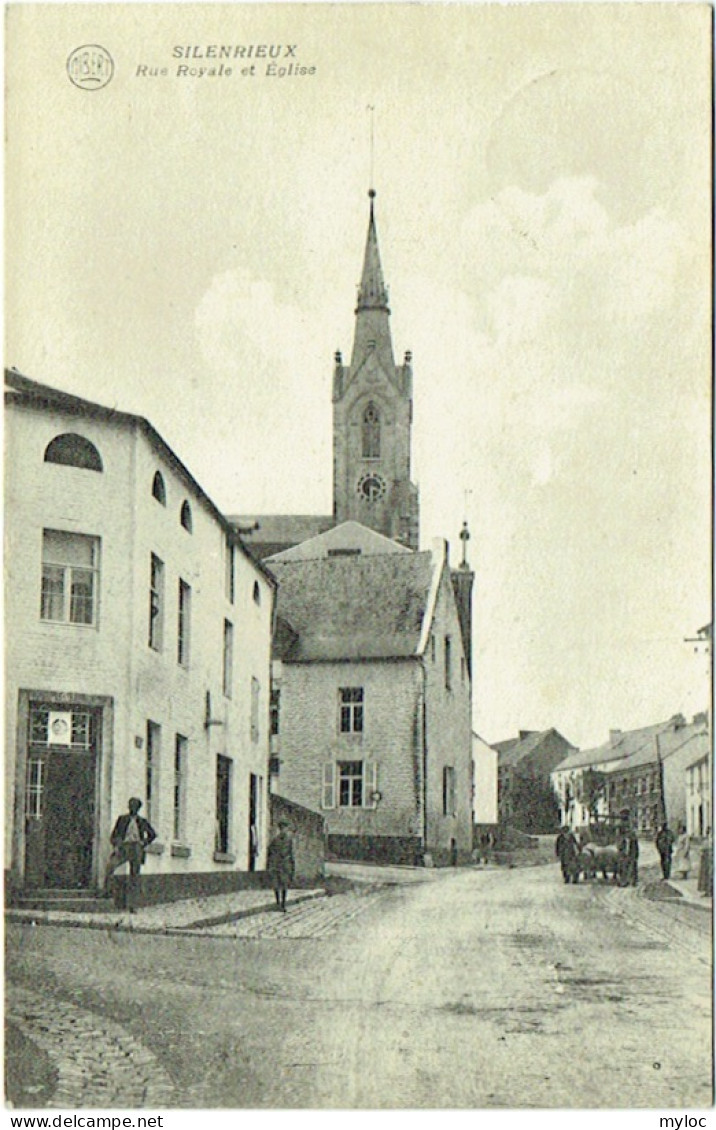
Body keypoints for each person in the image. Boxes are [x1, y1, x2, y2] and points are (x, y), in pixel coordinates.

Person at [105, 797, 156, 912]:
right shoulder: (122, 819)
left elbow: (152, 834)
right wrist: (117, 845)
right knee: (110, 866)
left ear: (138, 808)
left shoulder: (142, 821)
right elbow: (114, 835)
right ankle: (108, 894)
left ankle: (133, 905)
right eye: (131, 806)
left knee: (134, 876)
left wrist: (143, 843)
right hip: (124, 847)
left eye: (135, 806)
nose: (132, 808)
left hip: (136, 848)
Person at [267, 817, 295, 912]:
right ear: (280, 829)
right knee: (276, 884)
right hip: (276, 865)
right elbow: (270, 852)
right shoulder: (275, 840)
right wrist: (271, 864)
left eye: (285, 828)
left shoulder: (289, 840)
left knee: (284, 884)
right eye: (282, 828)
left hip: (285, 865)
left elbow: (290, 853)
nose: (284, 830)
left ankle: (283, 904)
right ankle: (278, 903)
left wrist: (292, 865)